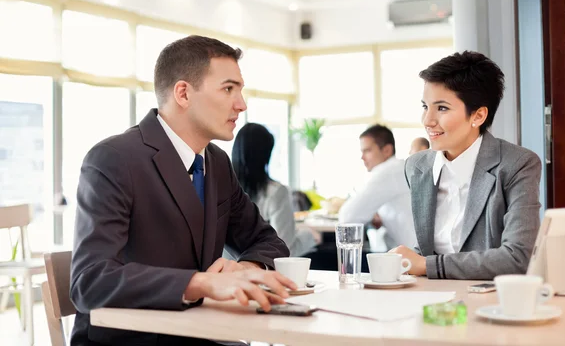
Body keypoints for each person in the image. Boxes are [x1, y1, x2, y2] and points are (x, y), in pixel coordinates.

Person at [70, 35, 295, 346]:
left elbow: (267, 240)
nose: (241, 104)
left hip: (200, 332)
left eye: (240, 90)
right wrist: (201, 283)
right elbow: (90, 282)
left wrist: (245, 268)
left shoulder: (215, 161)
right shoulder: (113, 159)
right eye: (228, 89)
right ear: (183, 93)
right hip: (132, 339)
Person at [390, 51, 542, 280]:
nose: (428, 121)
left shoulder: (517, 164)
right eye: (425, 106)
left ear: (478, 116)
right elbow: (429, 250)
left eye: (441, 108)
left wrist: (426, 265)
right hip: (432, 299)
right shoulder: (417, 167)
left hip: (491, 302)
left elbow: (517, 258)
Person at [232, 123, 320, 257]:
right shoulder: (276, 192)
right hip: (267, 270)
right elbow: (284, 249)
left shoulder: (223, 188)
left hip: (226, 269)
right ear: (266, 155)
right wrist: (309, 235)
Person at [338, 124, 416, 250]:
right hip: (412, 255)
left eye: (367, 151)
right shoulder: (399, 168)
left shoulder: (387, 172)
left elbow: (347, 217)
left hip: (413, 260)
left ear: (387, 150)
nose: (362, 157)